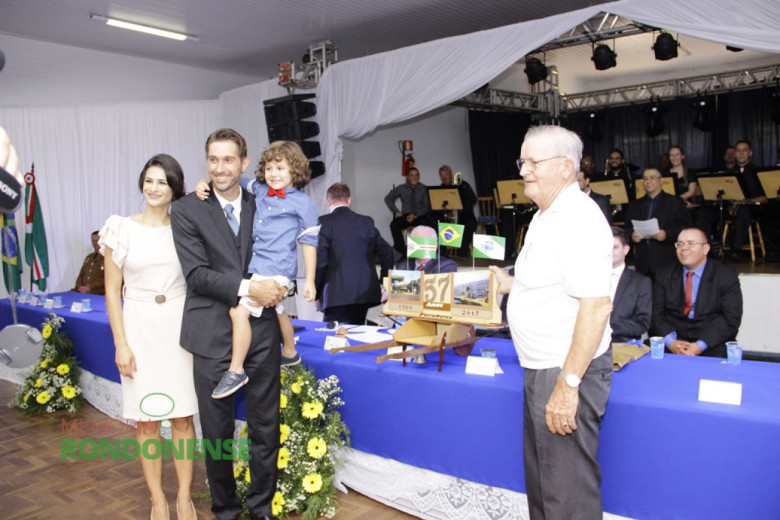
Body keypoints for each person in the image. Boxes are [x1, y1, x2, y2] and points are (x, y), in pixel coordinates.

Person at [490, 125, 613, 519]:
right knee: (545, 484)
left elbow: (595, 307)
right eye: (522, 160)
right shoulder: (548, 214)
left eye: (532, 162)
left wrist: (569, 384)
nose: (523, 169)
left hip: (564, 370)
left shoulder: (577, 217)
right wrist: (511, 284)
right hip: (542, 365)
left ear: (564, 168)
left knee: (567, 491)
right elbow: (552, 282)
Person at [171, 128, 286, 520]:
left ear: (244, 162)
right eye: (213, 160)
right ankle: (225, 510)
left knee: (265, 426)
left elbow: (285, 249)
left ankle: (261, 508)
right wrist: (252, 286)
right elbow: (197, 275)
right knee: (217, 432)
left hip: (263, 330)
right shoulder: (187, 209)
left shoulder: (265, 205)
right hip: (210, 334)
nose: (220, 168)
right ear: (207, 162)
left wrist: (283, 284)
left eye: (228, 160)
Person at [101, 154, 198, 520]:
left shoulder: (186, 227)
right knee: (148, 420)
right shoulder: (120, 228)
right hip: (139, 326)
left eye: (163, 182)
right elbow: (112, 291)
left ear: (175, 188)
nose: (154, 188)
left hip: (179, 327)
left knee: (184, 419)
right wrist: (121, 344)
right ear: (142, 183)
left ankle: (184, 497)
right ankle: (157, 498)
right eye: (149, 180)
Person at [196, 140, 318, 399]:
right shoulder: (260, 189)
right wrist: (203, 183)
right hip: (258, 265)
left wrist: (310, 281)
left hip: (276, 270)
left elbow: (309, 242)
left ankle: (236, 370)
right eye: (270, 168)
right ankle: (289, 352)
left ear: (295, 170)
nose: (274, 174)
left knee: (239, 313)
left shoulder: (304, 204)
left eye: (281, 168)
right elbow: (234, 180)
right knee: (279, 311)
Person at [651, 227, 742, 357]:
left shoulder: (726, 276)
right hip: (674, 339)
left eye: (691, 243)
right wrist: (671, 342)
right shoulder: (664, 275)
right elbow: (656, 315)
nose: (684, 248)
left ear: (706, 249)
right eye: (680, 244)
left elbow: (730, 318)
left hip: (710, 341)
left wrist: (699, 346)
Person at [315, 182, 394, 324]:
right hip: (364, 293)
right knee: (355, 337)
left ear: (328, 201)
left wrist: (317, 291)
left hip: (336, 294)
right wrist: (383, 282)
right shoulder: (366, 222)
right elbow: (388, 252)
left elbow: (321, 261)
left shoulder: (324, 223)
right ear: (349, 199)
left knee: (333, 338)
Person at [624, 168, 692, 278]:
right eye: (645, 179)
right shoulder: (634, 205)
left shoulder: (675, 202)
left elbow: (686, 227)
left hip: (667, 260)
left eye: (652, 178)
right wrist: (632, 236)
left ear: (661, 181)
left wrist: (667, 234)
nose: (648, 181)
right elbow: (626, 229)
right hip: (643, 261)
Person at [726, 139, 767, 259]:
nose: (741, 153)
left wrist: (745, 202)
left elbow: (764, 198)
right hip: (732, 208)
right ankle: (708, 251)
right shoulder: (729, 173)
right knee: (704, 214)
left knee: (744, 210)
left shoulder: (757, 172)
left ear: (750, 153)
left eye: (744, 150)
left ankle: (736, 250)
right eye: (738, 150)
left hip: (753, 208)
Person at [609, 226, 651, 342]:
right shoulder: (590, 278)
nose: (609, 251)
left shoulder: (640, 282)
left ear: (626, 249)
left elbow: (642, 323)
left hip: (622, 344)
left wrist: (607, 328)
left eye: (615, 247)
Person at [384, 167, 432, 257]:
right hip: (406, 216)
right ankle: (402, 251)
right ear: (408, 177)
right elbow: (388, 198)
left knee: (427, 224)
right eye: (412, 175)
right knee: (394, 225)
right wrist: (396, 211)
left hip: (420, 215)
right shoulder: (401, 188)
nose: (415, 178)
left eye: (417, 175)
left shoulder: (424, 188)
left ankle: (423, 252)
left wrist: (416, 215)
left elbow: (427, 206)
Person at [433, 165, 477, 257]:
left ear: (451, 174)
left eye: (446, 175)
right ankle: (443, 254)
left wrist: (461, 211)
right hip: (449, 218)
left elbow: (472, 200)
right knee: (439, 223)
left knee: (471, 223)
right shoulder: (441, 188)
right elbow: (437, 207)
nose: (444, 177)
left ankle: (462, 252)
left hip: (464, 216)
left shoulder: (463, 185)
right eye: (441, 175)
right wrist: (447, 214)